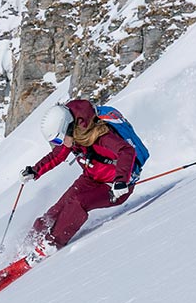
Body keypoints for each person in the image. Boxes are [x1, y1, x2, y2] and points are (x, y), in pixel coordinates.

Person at [20, 99, 137, 257]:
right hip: (91, 178)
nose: (57, 144)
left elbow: (126, 150)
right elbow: (57, 156)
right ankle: (27, 246)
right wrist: (35, 170)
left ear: (68, 128)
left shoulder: (100, 134)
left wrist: (121, 180)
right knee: (55, 212)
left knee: (78, 203)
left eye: (57, 140)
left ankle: (49, 245)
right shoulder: (73, 135)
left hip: (115, 186)